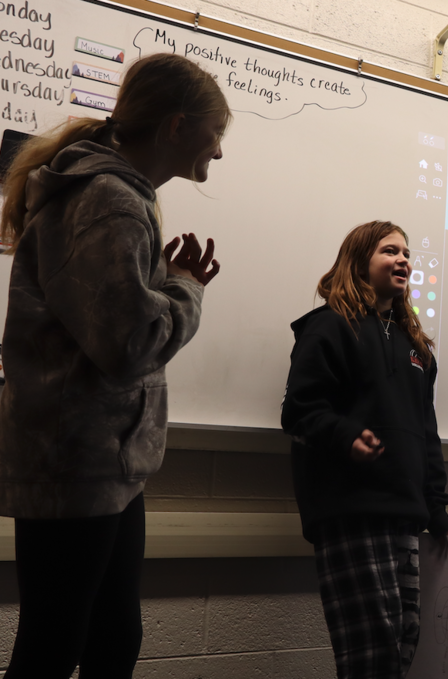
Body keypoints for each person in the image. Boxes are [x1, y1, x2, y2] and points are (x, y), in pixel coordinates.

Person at [0, 53, 228, 678]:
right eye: (217, 133)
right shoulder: (110, 201)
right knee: (55, 645)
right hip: (77, 462)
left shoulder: (118, 195)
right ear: (177, 126)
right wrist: (184, 288)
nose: (219, 151)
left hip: (104, 464)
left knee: (110, 637)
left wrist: (169, 281)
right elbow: (130, 346)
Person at [281, 220, 448, 679]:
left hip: (405, 512)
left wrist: (437, 511)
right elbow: (299, 411)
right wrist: (345, 437)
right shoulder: (329, 328)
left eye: (407, 253)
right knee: (370, 655)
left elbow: (426, 433)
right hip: (349, 511)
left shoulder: (417, 347)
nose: (404, 260)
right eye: (389, 251)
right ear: (360, 262)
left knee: (404, 642)